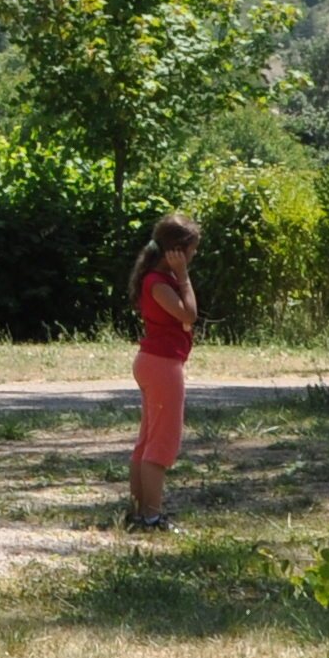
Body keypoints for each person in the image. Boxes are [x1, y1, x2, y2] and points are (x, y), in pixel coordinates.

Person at [126, 213, 201, 529]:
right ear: (176, 251)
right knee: (160, 443)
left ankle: (139, 512)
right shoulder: (159, 283)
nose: (194, 255)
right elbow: (190, 314)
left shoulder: (157, 279)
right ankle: (151, 517)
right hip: (162, 366)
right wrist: (183, 276)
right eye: (191, 250)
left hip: (156, 363)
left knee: (148, 440)